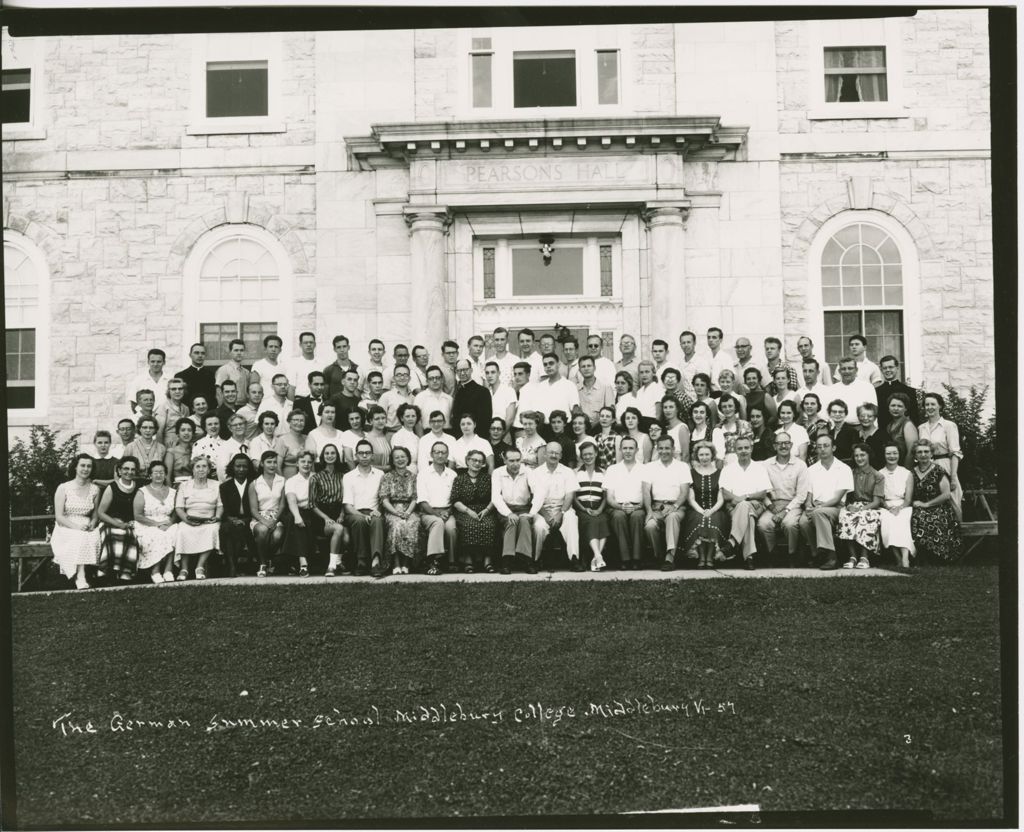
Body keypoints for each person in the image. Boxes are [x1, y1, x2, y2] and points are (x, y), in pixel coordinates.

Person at [799, 434, 854, 570]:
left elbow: (837, 498)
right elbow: (809, 494)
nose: (822, 449)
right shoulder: (811, 470)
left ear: (833, 447)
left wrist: (818, 508)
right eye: (819, 447)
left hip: (836, 508)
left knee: (819, 513)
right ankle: (817, 554)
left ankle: (831, 557)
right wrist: (808, 505)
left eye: (826, 446)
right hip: (816, 505)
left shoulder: (843, 469)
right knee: (803, 522)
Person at [51, 453, 102, 590]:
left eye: (89, 466)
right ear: (75, 467)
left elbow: (96, 515)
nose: (86, 469)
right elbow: (59, 516)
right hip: (66, 526)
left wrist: (92, 524)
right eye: (82, 465)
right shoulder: (63, 488)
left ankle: (96, 574)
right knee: (79, 537)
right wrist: (77, 527)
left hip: (86, 524)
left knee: (95, 536)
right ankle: (81, 576)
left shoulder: (95, 489)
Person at [719, 436, 771, 569]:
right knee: (748, 516)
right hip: (733, 506)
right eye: (740, 448)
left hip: (756, 505)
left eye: (746, 447)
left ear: (752, 449)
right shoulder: (728, 469)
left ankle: (732, 542)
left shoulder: (759, 468)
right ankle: (749, 557)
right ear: (735, 451)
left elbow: (762, 493)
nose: (743, 451)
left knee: (744, 506)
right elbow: (724, 493)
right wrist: (739, 501)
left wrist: (744, 497)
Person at [756, 431, 808, 566]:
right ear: (774, 446)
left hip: (792, 505)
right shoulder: (765, 465)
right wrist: (770, 506)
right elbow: (762, 491)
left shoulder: (800, 465)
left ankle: (792, 555)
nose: (783, 446)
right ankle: (773, 555)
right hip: (771, 505)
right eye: (779, 443)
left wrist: (785, 511)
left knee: (789, 524)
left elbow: (801, 494)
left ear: (791, 445)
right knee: (763, 524)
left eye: (786, 443)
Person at [528, 442, 580, 570]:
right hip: (542, 509)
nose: (553, 455)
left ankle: (574, 559)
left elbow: (569, 496)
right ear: (545, 454)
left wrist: (561, 513)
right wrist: (546, 516)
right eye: (551, 452)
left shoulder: (568, 472)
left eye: (557, 453)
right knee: (539, 526)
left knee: (572, 520)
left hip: (563, 508)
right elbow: (534, 498)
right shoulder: (536, 473)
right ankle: (536, 559)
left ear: (561, 455)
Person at [643, 435, 692, 570]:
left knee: (672, 517)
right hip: (657, 507)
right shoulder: (649, 467)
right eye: (661, 448)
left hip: (677, 506)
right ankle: (659, 556)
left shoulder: (682, 466)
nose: (664, 451)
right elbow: (646, 491)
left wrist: (675, 506)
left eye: (667, 448)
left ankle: (670, 557)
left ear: (673, 449)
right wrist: (649, 512)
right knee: (650, 526)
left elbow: (684, 492)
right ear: (657, 449)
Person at [909, 438, 962, 562]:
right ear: (915, 455)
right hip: (919, 507)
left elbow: (946, 495)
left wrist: (927, 504)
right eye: (920, 452)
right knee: (916, 517)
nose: (923, 455)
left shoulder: (939, 471)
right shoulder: (911, 473)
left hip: (939, 507)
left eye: (926, 452)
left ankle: (938, 556)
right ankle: (921, 556)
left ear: (932, 453)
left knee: (932, 519)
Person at [681, 440, 730, 568]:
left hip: (716, 509)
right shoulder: (691, 473)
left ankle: (710, 557)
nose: (704, 458)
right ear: (697, 456)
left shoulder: (720, 473)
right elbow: (691, 498)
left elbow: (721, 498)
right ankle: (701, 557)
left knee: (712, 519)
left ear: (712, 455)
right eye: (701, 455)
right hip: (696, 509)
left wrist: (711, 510)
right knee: (701, 519)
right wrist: (701, 510)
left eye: (707, 454)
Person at [172, 455, 221, 581]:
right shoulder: (184, 485)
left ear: (209, 470)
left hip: (209, 520)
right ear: (193, 470)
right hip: (189, 519)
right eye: (197, 466)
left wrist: (217, 517)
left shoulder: (216, 485)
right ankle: (184, 568)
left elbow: (221, 505)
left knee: (212, 530)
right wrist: (187, 520)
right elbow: (179, 507)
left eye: (204, 466)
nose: (201, 469)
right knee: (182, 530)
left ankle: (200, 567)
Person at [836, 443, 885, 569]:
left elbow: (876, 502)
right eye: (856, 456)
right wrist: (849, 506)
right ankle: (852, 557)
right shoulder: (850, 473)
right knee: (845, 515)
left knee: (865, 517)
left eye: (862, 455)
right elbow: (846, 496)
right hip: (853, 505)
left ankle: (864, 557)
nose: (859, 458)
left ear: (869, 456)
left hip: (870, 507)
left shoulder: (877, 476)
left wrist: (861, 509)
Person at [341, 440, 386, 575]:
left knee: (377, 520)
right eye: (361, 453)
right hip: (355, 513)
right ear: (356, 455)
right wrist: (362, 515)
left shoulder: (380, 474)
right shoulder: (348, 477)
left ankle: (375, 562)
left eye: (367, 453)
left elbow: (383, 499)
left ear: (372, 455)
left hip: (374, 511)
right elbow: (348, 506)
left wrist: (378, 511)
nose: (364, 456)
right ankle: (361, 562)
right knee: (360, 521)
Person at [451, 449, 498, 573]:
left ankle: (487, 561)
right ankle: (468, 560)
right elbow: (455, 500)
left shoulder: (488, 479)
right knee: (468, 525)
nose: (477, 463)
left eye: (480, 461)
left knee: (489, 525)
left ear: (483, 464)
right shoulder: (459, 479)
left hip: (485, 510)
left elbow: (495, 498)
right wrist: (468, 511)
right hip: (464, 510)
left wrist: (487, 510)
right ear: (467, 461)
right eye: (474, 460)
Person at [917, 392, 963, 518]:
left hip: (945, 465)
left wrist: (953, 476)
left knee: (952, 502)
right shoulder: (921, 428)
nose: (929, 407)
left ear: (940, 406)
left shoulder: (949, 426)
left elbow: (955, 452)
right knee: (931, 503)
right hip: (927, 467)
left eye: (933, 404)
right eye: (927, 404)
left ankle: (956, 534)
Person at [604, 436, 646, 569]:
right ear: (620, 450)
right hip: (617, 507)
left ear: (637, 450)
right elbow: (609, 497)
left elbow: (647, 494)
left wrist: (637, 507)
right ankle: (625, 559)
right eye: (625, 448)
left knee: (637, 516)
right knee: (618, 516)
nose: (628, 451)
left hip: (638, 506)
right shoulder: (612, 469)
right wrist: (620, 506)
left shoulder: (644, 469)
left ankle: (637, 559)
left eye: (631, 448)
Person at [97, 456, 141, 582]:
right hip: (110, 521)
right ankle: (108, 572)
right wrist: (117, 523)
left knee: (130, 535)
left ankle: (125, 573)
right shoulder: (112, 487)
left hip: (130, 522)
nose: (129, 472)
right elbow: (101, 513)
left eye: (133, 469)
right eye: (126, 469)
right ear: (119, 471)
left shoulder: (139, 487)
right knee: (112, 535)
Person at [133, 460, 177, 583]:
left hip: (167, 523)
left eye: (162, 472)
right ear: (150, 475)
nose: (158, 475)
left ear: (165, 474)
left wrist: (170, 523)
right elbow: (138, 515)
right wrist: (157, 524)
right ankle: (155, 570)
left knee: (175, 532)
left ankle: (168, 570)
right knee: (157, 535)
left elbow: (175, 512)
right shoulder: (142, 492)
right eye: (155, 472)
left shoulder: (173, 492)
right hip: (146, 524)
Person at [491, 447, 534, 573]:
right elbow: (496, 497)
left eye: (518, 460)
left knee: (525, 521)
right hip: (505, 508)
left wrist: (531, 513)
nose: (515, 464)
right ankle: (507, 560)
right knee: (512, 522)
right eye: (511, 461)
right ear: (504, 460)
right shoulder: (497, 473)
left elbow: (538, 492)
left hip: (524, 507)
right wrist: (508, 513)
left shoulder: (528, 472)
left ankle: (526, 559)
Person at [417, 441, 458, 575]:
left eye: (443, 452)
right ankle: (433, 561)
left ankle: (451, 562)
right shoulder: (423, 474)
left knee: (451, 528)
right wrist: (437, 514)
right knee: (438, 523)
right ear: (431, 455)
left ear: (447, 455)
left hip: (447, 511)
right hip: (428, 512)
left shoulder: (452, 474)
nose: (440, 455)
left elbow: (455, 498)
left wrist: (448, 512)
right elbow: (422, 501)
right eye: (437, 452)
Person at [379, 446, 419, 575]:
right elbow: (384, 499)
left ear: (408, 459)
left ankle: (406, 563)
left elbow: (414, 498)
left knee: (412, 523)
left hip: (410, 509)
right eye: (397, 457)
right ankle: (395, 563)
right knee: (397, 524)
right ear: (392, 460)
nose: (400, 459)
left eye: (403, 456)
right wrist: (396, 513)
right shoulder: (387, 477)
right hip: (392, 509)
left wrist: (407, 512)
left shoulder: (413, 477)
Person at [310, 444, 348, 576]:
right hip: (321, 515)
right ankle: (331, 566)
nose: (330, 456)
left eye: (333, 453)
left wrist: (342, 513)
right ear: (323, 456)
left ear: (337, 456)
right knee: (338, 529)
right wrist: (326, 518)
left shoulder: (343, 476)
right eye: (327, 453)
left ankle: (338, 561)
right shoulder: (315, 477)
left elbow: (346, 498)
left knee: (347, 538)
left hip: (338, 512)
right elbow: (312, 504)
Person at [878, 441, 916, 569]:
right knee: (887, 521)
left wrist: (899, 508)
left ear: (899, 454)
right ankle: (897, 557)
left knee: (902, 520)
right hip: (885, 506)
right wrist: (888, 508)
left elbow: (908, 498)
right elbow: (879, 497)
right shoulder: (879, 474)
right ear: (883, 455)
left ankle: (905, 558)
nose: (892, 456)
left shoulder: (907, 473)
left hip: (903, 505)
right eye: (888, 453)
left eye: (895, 453)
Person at [248, 451, 286, 578]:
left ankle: (267, 558)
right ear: (262, 464)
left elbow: (282, 505)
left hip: (276, 516)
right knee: (262, 530)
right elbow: (253, 509)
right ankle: (263, 564)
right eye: (269, 462)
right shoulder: (254, 483)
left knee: (277, 535)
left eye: (275, 462)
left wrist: (274, 521)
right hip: (259, 517)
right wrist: (264, 521)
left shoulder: (283, 481)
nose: (272, 465)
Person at [573, 441, 609, 572]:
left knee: (603, 519)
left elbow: (605, 496)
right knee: (590, 520)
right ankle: (598, 555)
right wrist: (583, 509)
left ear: (596, 454)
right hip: (582, 507)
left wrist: (599, 509)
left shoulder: (603, 473)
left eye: (590, 454)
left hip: (599, 506)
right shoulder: (575, 472)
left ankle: (595, 558)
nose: (587, 457)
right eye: (584, 455)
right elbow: (573, 496)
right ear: (581, 456)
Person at [218, 453, 255, 578]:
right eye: (238, 466)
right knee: (227, 528)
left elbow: (256, 508)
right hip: (231, 520)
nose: (241, 469)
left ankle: (233, 566)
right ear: (232, 467)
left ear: (249, 468)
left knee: (239, 529)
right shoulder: (224, 487)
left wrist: (245, 520)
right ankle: (232, 565)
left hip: (249, 519)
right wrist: (231, 519)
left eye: (244, 466)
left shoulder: (254, 484)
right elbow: (225, 508)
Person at [283, 450, 317, 577]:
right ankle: (303, 563)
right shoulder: (292, 481)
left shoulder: (316, 477)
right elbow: (291, 501)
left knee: (306, 521)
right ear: (297, 463)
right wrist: (297, 516)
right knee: (295, 520)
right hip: (297, 509)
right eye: (303, 461)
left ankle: (293, 562)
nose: (306, 464)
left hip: (315, 511)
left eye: (309, 462)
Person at [876, 355, 919, 432]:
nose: (888, 370)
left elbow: (914, 417)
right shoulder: (876, 392)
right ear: (881, 369)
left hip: (903, 433)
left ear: (897, 368)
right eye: (885, 368)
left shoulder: (909, 391)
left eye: (891, 367)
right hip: (881, 432)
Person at [533, 352, 580, 423]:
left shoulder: (569, 385)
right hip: (544, 428)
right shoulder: (540, 386)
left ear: (558, 364)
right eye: (545, 364)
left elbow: (575, 410)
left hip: (564, 428)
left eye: (551, 363)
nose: (548, 366)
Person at [833, 356, 878, 424]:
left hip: (861, 428)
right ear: (839, 371)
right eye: (843, 369)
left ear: (856, 370)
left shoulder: (867, 387)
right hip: (839, 427)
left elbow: (873, 412)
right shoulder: (833, 389)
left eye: (850, 368)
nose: (847, 371)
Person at [452, 359, 491, 435]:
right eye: (459, 371)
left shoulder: (482, 392)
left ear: (471, 370)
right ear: (456, 372)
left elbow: (485, 421)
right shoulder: (458, 392)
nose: (462, 373)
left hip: (476, 439)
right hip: (460, 439)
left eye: (465, 370)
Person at [175, 342, 218, 411]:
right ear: (190, 355)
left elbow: (213, 397)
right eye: (196, 353)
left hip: (208, 412)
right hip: (188, 413)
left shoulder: (211, 375)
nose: (200, 356)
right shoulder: (181, 376)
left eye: (202, 353)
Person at [125, 348, 170, 412]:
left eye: (159, 361)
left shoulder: (170, 380)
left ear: (164, 362)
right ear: (148, 362)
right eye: (152, 361)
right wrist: (144, 417)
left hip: (165, 418)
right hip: (145, 420)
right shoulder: (138, 380)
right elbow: (133, 403)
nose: (155, 364)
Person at [125, 416, 166, 481]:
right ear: (139, 429)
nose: (148, 430)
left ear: (155, 429)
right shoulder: (130, 447)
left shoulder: (161, 448)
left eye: (151, 428)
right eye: (144, 427)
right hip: (135, 483)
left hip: (155, 483)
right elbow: (123, 468)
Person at [576, 355, 615, 425]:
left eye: (589, 366)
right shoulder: (576, 389)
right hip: (582, 429)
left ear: (594, 368)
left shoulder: (606, 387)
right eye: (583, 366)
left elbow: (610, 411)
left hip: (601, 427)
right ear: (579, 370)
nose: (586, 368)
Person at [414, 366, 454, 433]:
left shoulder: (449, 399)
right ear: (427, 381)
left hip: (446, 434)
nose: (435, 381)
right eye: (431, 378)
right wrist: (421, 439)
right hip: (427, 434)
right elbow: (417, 422)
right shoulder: (420, 397)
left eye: (437, 378)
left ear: (442, 379)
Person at [885, 393, 920, 469]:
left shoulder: (908, 425)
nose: (896, 408)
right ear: (888, 407)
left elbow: (911, 452)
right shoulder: (889, 425)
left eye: (900, 406)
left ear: (905, 408)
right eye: (893, 405)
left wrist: (905, 472)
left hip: (904, 468)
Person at [717, 394, 753, 466]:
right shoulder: (718, 428)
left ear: (735, 407)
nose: (727, 409)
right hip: (723, 465)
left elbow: (749, 448)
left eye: (730, 406)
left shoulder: (744, 425)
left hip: (741, 463)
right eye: (724, 407)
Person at [380, 364, 416, 432]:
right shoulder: (386, 396)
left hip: (410, 434)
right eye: (398, 375)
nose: (402, 378)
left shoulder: (413, 398)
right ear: (393, 378)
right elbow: (379, 420)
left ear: (409, 378)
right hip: (391, 433)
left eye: (405, 375)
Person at [215, 413, 251, 482]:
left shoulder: (250, 444)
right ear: (230, 428)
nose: (238, 427)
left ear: (245, 425)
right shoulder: (225, 447)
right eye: (235, 425)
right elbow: (222, 472)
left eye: (241, 424)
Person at [484, 361, 517, 435]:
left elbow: (510, 419)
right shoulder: (486, 393)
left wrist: (500, 436)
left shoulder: (509, 391)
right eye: (487, 373)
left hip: (504, 434)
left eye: (493, 372)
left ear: (499, 373)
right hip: (489, 435)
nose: (489, 375)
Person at [156, 378, 191, 448]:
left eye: (180, 389)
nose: (177, 391)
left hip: (183, 445)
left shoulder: (186, 408)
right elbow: (159, 432)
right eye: (173, 389)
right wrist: (161, 449)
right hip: (168, 445)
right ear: (169, 391)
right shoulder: (163, 407)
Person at [215, 339, 251, 406]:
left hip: (243, 407)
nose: (239, 353)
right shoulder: (224, 370)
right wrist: (222, 410)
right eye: (236, 350)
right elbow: (219, 392)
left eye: (241, 350)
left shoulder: (246, 372)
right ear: (230, 352)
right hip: (229, 407)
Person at [323, 334, 360, 400]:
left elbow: (360, 391)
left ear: (348, 347)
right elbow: (325, 395)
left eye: (344, 346)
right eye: (339, 347)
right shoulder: (329, 370)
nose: (342, 350)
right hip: (336, 407)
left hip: (353, 408)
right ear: (334, 349)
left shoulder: (357, 369)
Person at [823, 400, 859, 466]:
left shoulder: (852, 432)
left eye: (840, 412)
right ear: (829, 414)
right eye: (834, 412)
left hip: (847, 468)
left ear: (845, 414)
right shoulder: (830, 433)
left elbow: (856, 455)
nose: (837, 414)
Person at [274, 410, 308, 478]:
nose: (299, 423)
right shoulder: (282, 440)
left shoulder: (307, 438)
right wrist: (283, 483)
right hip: (288, 479)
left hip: (305, 480)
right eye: (295, 420)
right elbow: (277, 466)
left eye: (302, 420)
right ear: (289, 422)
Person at [798, 393, 831, 464]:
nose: (809, 406)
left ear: (818, 406)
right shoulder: (802, 425)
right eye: (806, 404)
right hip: (802, 462)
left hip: (815, 463)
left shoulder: (822, 425)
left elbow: (822, 449)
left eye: (812, 404)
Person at [854, 403, 887, 468]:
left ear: (875, 418)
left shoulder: (883, 436)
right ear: (858, 417)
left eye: (869, 416)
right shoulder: (855, 435)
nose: (865, 418)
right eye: (862, 416)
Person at [290, 332, 322, 399]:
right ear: (300, 345)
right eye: (305, 342)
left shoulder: (321, 364)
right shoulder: (294, 364)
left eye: (311, 342)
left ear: (315, 344)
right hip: (300, 400)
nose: (308, 345)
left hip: (318, 401)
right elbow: (291, 388)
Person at [392, 404, 422, 474]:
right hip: (403, 472)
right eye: (407, 416)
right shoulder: (397, 436)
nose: (411, 419)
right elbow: (397, 458)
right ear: (402, 418)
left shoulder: (417, 438)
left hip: (416, 472)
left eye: (413, 416)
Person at [634, 360, 665, 428]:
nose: (644, 375)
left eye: (647, 372)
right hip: (640, 424)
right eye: (641, 372)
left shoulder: (657, 388)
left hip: (652, 424)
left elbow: (659, 414)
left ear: (653, 373)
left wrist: (655, 428)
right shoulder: (639, 392)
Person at [660, 397, 691, 463]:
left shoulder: (682, 428)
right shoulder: (664, 428)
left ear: (677, 409)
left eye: (671, 407)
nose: (668, 410)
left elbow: (685, 454)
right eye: (665, 407)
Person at [362, 405, 392, 471]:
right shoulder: (367, 440)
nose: (381, 421)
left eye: (383, 418)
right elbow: (365, 464)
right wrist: (386, 468)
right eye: (377, 419)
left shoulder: (388, 437)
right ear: (371, 421)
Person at [705, 327, 735, 391]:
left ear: (721, 340)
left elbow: (729, 381)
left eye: (714, 337)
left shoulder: (726, 358)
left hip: (721, 393)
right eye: (709, 337)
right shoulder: (705, 357)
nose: (710, 340)